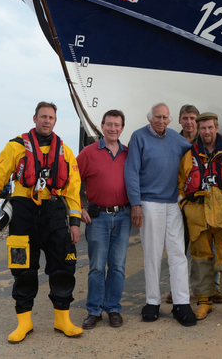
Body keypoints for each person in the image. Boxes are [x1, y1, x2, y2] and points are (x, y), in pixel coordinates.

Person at [0, 101, 83, 342]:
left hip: (54, 213)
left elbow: (73, 189)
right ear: (34, 119)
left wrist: (74, 222)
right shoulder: (15, 147)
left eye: (51, 117)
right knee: (23, 268)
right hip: (23, 213)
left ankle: (62, 319)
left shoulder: (65, 151)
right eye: (43, 116)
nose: (47, 121)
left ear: (55, 121)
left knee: (63, 267)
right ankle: (24, 322)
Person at [124, 102, 196, 326]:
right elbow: (131, 171)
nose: (161, 121)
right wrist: (135, 204)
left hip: (173, 203)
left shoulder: (176, 138)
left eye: (165, 117)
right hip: (149, 202)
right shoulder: (138, 137)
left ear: (170, 120)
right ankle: (152, 302)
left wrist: (221, 141)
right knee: (152, 254)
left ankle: (181, 303)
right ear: (150, 118)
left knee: (178, 254)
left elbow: (196, 152)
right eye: (158, 117)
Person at [178, 113, 222, 323]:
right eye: (203, 128)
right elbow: (180, 185)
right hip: (198, 218)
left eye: (210, 127)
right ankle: (204, 302)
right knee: (200, 261)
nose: (206, 132)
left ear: (217, 128)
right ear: (198, 130)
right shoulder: (188, 156)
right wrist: (186, 207)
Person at [77, 109, 130, 330]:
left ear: (122, 128)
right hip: (97, 217)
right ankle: (94, 310)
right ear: (102, 126)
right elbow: (71, 181)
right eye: (109, 124)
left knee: (117, 266)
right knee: (97, 266)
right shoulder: (88, 153)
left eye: (117, 125)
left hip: (124, 215)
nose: (113, 128)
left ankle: (113, 308)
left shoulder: (129, 153)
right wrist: (78, 207)